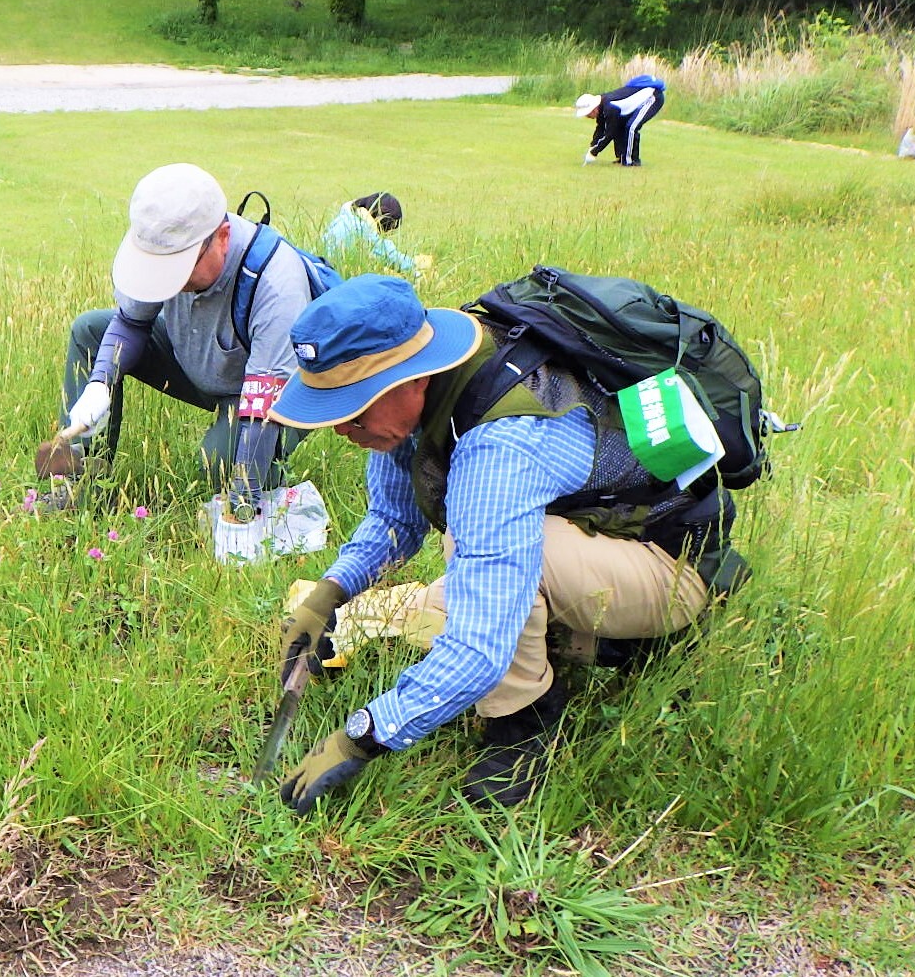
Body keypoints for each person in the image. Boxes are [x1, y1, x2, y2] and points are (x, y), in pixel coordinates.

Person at [266, 274, 746, 815]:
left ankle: (524, 725)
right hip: (591, 544)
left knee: (471, 572)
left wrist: (361, 736)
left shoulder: (500, 446)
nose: (340, 428)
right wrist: (330, 594)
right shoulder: (424, 393)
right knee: (443, 594)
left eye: (353, 408)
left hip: (669, 569)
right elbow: (394, 520)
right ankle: (602, 646)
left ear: (410, 381)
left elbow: (479, 650)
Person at [56, 163, 323, 517]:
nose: (173, 282)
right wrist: (99, 382)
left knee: (219, 465)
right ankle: (80, 484)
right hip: (205, 363)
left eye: (182, 268)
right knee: (91, 330)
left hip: (273, 397)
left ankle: (273, 495)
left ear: (223, 236)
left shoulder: (276, 285)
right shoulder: (162, 239)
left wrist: (243, 501)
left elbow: (263, 409)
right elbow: (130, 323)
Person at [320, 192, 422, 278]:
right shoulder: (364, 231)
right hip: (331, 278)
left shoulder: (346, 217)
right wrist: (417, 266)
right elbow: (392, 257)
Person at [577, 74, 666, 167]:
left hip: (653, 97)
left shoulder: (609, 107)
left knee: (631, 127)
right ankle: (622, 158)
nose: (587, 116)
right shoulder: (602, 107)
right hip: (646, 98)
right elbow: (601, 129)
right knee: (620, 125)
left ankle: (631, 162)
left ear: (594, 109)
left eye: (587, 114)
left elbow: (610, 133)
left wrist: (594, 152)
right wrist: (592, 147)